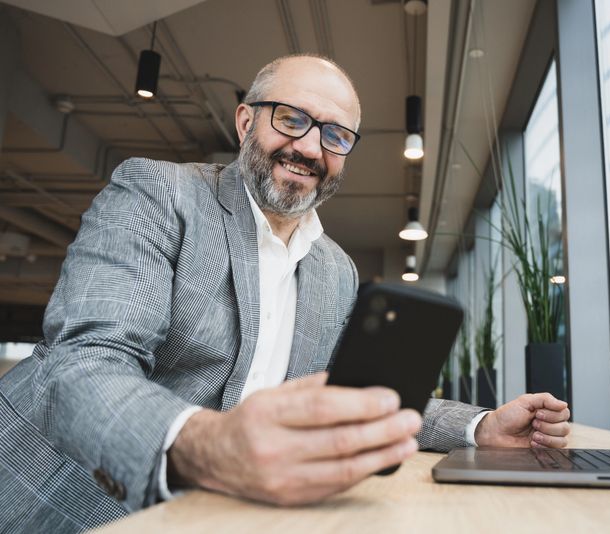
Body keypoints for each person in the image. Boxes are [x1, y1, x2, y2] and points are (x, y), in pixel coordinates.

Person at [0, 54, 570, 532]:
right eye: (292, 118)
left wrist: (481, 426)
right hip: (59, 501)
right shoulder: (157, 193)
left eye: (335, 134)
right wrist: (213, 445)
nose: (310, 147)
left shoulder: (336, 270)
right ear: (246, 122)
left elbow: (365, 396)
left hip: (213, 515)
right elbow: (84, 364)